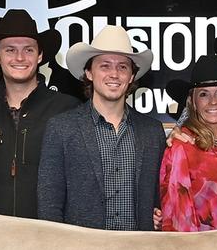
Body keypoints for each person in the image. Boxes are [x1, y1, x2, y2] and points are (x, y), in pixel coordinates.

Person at [37, 26, 164, 231]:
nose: (114, 74)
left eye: (123, 67)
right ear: (89, 72)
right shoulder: (61, 128)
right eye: (105, 66)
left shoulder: (152, 132)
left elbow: (162, 196)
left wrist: (160, 213)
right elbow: (49, 205)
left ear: (132, 76)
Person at [0, 9, 79, 219]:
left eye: (28, 50)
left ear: (40, 56)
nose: (19, 57)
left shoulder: (67, 110)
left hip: (51, 236)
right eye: (10, 50)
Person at [159, 55, 217, 232]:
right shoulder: (182, 146)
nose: (213, 101)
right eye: (203, 94)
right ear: (193, 102)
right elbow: (178, 217)